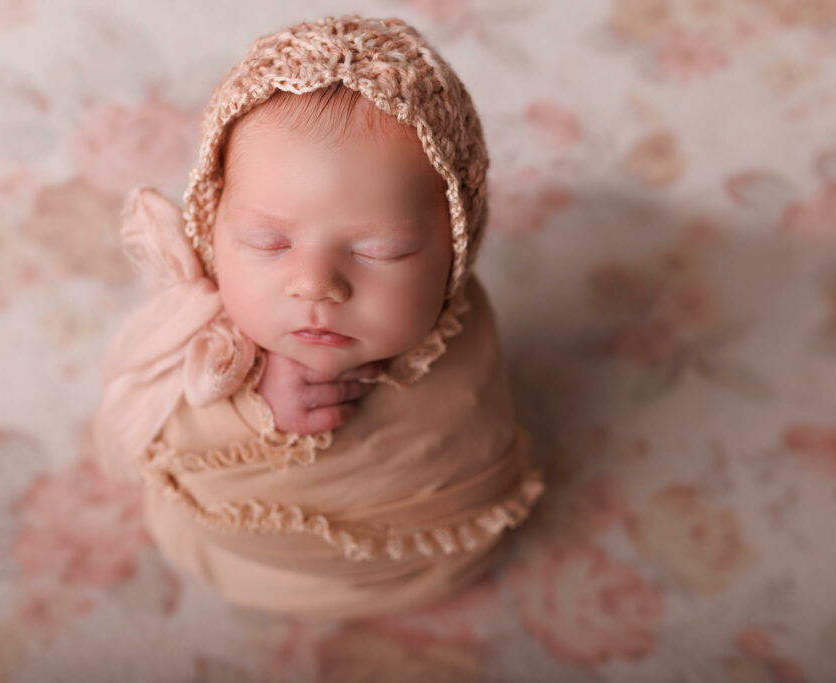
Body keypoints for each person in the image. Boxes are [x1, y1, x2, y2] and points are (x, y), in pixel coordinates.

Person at [91, 14, 544, 620]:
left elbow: (471, 437)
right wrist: (252, 412)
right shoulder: (199, 338)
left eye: (379, 251)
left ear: (455, 248)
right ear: (211, 222)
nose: (315, 285)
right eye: (267, 242)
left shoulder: (461, 333)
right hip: (240, 560)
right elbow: (153, 427)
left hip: (423, 563)